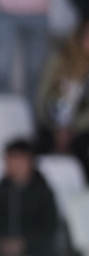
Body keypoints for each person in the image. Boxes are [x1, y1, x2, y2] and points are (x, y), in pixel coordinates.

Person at [0, 139, 60, 256]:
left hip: (35, 249)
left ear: (30, 161)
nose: (13, 164)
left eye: (18, 158)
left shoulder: (43, 192)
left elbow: (49, 228)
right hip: (1, 248)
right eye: (10, 158)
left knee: (50, 255)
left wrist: (25, 244)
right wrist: (2, 243)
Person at [36, 22, 89, 178]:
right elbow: (42, 97)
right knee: (39, 148)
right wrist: (54, 128)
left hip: (81, 129)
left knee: (82, 148)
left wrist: (72, 128)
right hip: (51, 124)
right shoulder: (58, 61)